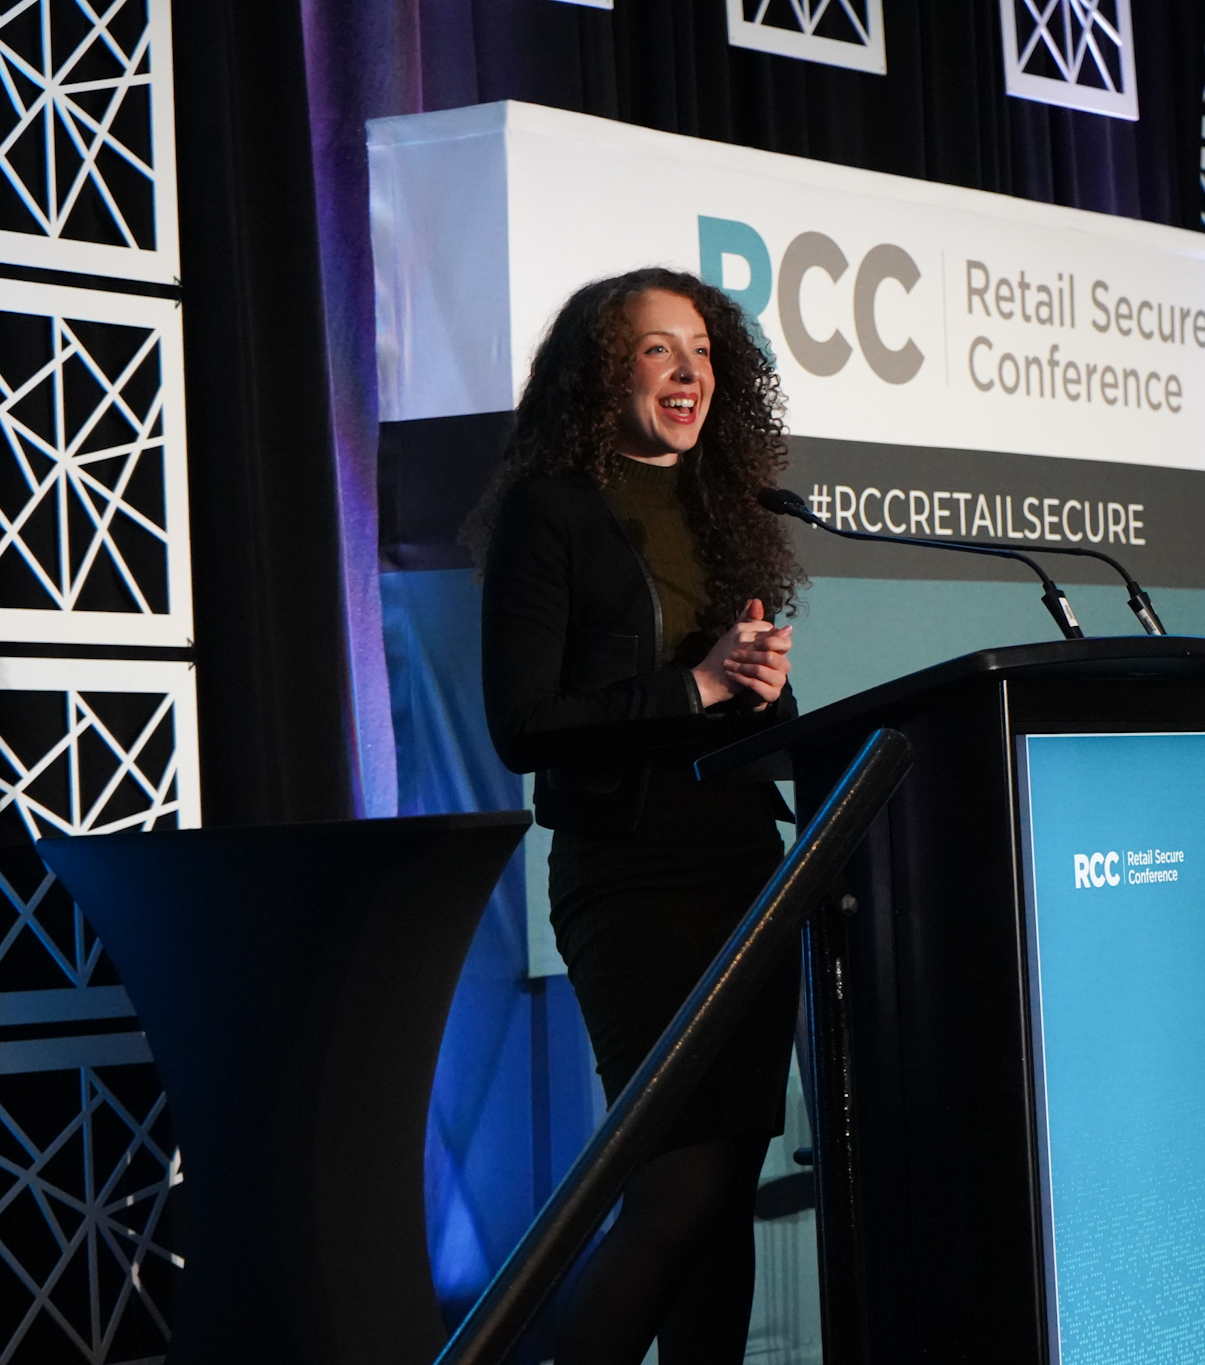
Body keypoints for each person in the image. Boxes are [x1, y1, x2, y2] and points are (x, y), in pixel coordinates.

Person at [468, 267, 803, 1364]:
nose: (687, 370)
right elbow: (524, 724)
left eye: (701, 350)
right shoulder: (551, 511)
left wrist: (764, 695)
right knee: (677, 1184)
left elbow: (750, 711)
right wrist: (695, 688)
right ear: (602, 371)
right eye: (658, 348)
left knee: (726, 1190)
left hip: (744, 873)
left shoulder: (724, 512)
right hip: (631, 879)